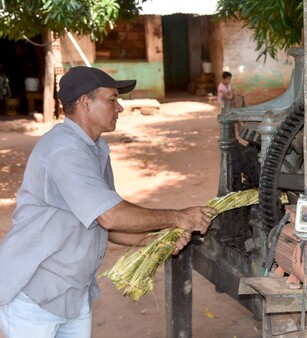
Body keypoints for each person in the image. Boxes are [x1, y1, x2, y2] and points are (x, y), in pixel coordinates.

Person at [0, 66, 216, 338]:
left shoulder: (95, 148)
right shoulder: (64, 150)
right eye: (112, 99)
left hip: (72, 292)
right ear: (85, 102)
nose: (120, 108)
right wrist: (178, 217)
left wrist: (156, 240)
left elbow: (104, 226)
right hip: (34, 294)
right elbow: (111, 215)